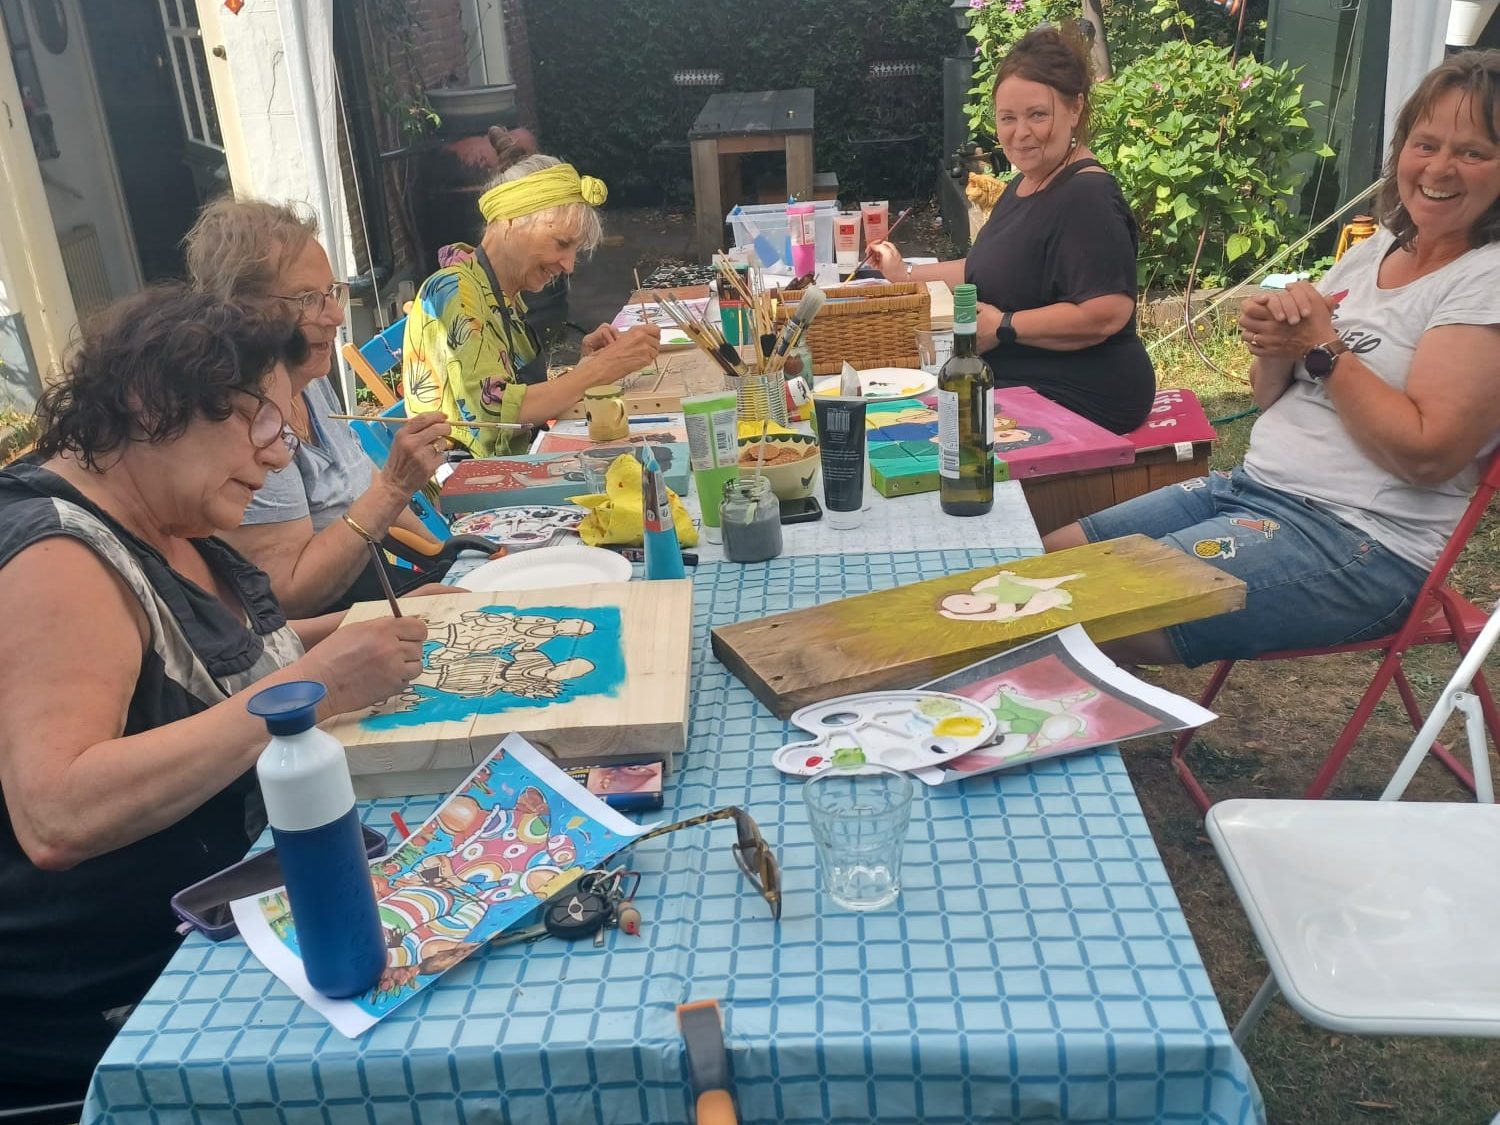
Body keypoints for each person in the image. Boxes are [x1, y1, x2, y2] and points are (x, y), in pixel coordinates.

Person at [0, 286, 427, 1110]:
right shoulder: (56, 554)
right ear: (152, 403)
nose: (281, 454)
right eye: (262, 421)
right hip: (130, 1001)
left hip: (245, 906)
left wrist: (364, 626)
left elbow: (207, 666)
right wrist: (318, 683)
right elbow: (58, 810)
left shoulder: (166, 523)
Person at [1044, 50, 1500, 667]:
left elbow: (1427, 455)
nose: (1440, 168)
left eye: (1472, 152)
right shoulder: (1378, 251)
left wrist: (1321, 347)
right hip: (1250, 491)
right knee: (1042, 565)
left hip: (1359, 542)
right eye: (1426, 144)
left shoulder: (1486, 280)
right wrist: (1276, 341)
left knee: (1064, 610)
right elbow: (1272, 396)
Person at [867, 26, 1155, 434]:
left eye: (1038, 114)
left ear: (1075, 109)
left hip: (1084, 394)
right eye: (1008, 118)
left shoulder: (1088, 196)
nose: (1020, 133)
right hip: (1020, 384)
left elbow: (1106, 313)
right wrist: (905, 275)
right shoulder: (1027, 182)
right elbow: (987, 266)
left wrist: (1005, 326)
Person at [186, 197, 453, 617]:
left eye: (331, 292)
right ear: (240, 311)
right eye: (307, 299)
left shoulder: (304, 380)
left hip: (378, 597)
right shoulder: (240, 423)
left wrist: (445, 556)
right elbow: (289, 598)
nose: (334, 316)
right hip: (333, 637)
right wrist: (395, 487)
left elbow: (362, 489)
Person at [403, 154, 660, 456]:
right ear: (511, 222)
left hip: (517, 464)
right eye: (562, 244)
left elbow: (521, 400)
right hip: (471, 485)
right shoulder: (455, 292)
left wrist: (585, 366)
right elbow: (497, 411)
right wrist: (601, 369)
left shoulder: (498, 293)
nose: (568, 266)